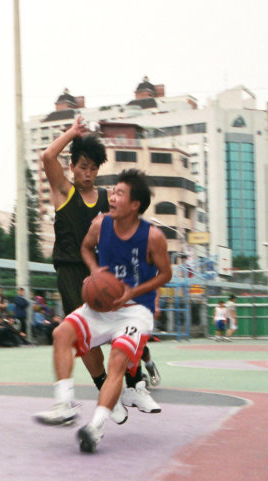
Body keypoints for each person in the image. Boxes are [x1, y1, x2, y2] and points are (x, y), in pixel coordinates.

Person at [34, 169, 172, 453]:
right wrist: (95, 273)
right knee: (62, 333)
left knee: (118, 360)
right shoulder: (100, 224)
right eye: (113, 192)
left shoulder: (153, 237)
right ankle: (64, 405)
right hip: (102, 306)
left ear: (135, 205)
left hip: (135, 310)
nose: (112, 197)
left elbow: (165, 274)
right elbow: (86, 248)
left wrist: (134, 292)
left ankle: (95, 427)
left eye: (120, 193)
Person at [43, 115, 159, 415]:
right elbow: (47, 156)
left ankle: (136, 385)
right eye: (83, 167)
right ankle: (105, 387)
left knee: (126, 325)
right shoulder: (64, 192)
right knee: (83, 336)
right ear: (72, 167)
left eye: (94, 168)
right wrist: (71, 132)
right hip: (70, 271)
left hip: (104, 270)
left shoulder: (108, 199)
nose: (88, 173)